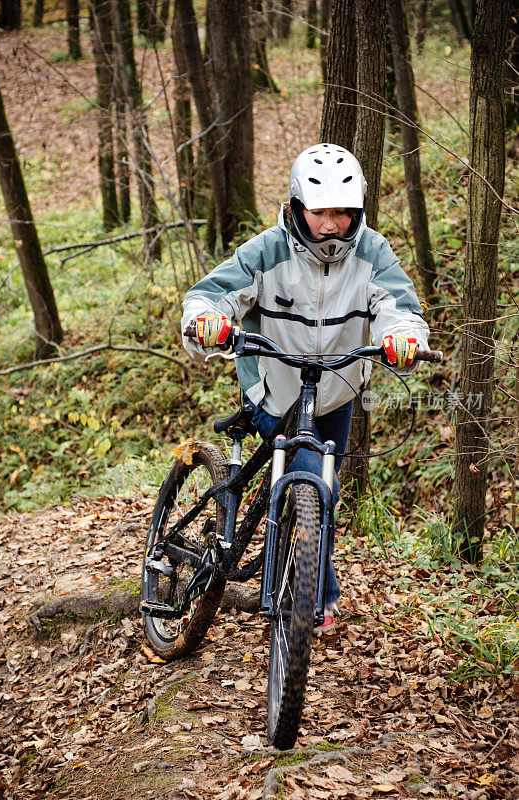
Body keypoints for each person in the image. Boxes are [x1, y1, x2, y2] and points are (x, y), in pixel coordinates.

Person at [182, 144, 429, 633]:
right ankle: (318, 596)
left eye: (343, 211)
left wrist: (403, 338)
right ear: (298, 207)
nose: (331, 223)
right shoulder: (268, 250)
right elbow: (210, 295)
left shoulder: (373, 252)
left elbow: (399, 306)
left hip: (335, 393)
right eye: (320, 212)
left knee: (321, 491)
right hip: (276, 388)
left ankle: (311, 590)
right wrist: (207, 321)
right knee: (316, 480)